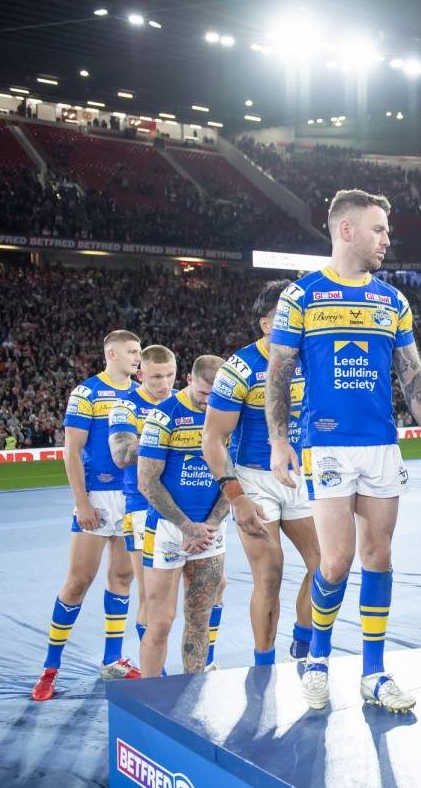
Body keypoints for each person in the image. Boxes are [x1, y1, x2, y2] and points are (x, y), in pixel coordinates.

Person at [265, 189, 421, 713]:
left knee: (379, 557)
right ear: (346, 230)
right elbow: (279, 373)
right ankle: (318, 659)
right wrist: (279, 440)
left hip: (381, 444)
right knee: (337, 559)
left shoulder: (393, 300)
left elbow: (411, 372)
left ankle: (374, 671)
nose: (387, 239)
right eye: (378, 229)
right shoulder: (300, 297)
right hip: (326, 445)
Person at [204, 280, 320, 667]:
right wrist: (236, 497)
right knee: (269, 575)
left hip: (302, 477)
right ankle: (264, 667)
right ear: (266, 324)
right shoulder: (239, 369)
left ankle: (302, 645)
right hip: (255, 481)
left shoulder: (313, 357)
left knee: (328, 566)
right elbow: (212, 438)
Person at [32, 330, 143, 702]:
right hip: (96, 496)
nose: (137, 357)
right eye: (131, 351)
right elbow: (72, 451)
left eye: (139, 351)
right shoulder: (87, 393)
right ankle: (50, 669)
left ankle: (112, 660)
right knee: (78, 581)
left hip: (130, 497)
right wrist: (81, 502)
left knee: (122, 578)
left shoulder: (139, 394)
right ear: (111, 353)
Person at [136, 355, 227, 678]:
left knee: (200, 620)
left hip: (210, 531)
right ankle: (148, 696)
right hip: (167, 529)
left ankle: (194, 691)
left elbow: (235, 476)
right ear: (189, 380)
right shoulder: (165, 416)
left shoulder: (229, 415)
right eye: (203, 394)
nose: (208, 402)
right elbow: (147, 481)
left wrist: (211, 525)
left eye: (215, 396)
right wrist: (187, 527)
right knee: (160, 623)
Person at [108, 345, 178, 654]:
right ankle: (153, 672)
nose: (165, 383)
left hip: (182, 507)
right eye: (156, 377)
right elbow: (122, 455)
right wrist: (174, 442)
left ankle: (206, 664)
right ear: (140, 375)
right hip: (141, 507)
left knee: (213, 587)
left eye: (170, 375)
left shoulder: (182, 402)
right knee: (151, 597)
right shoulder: (125, 407)